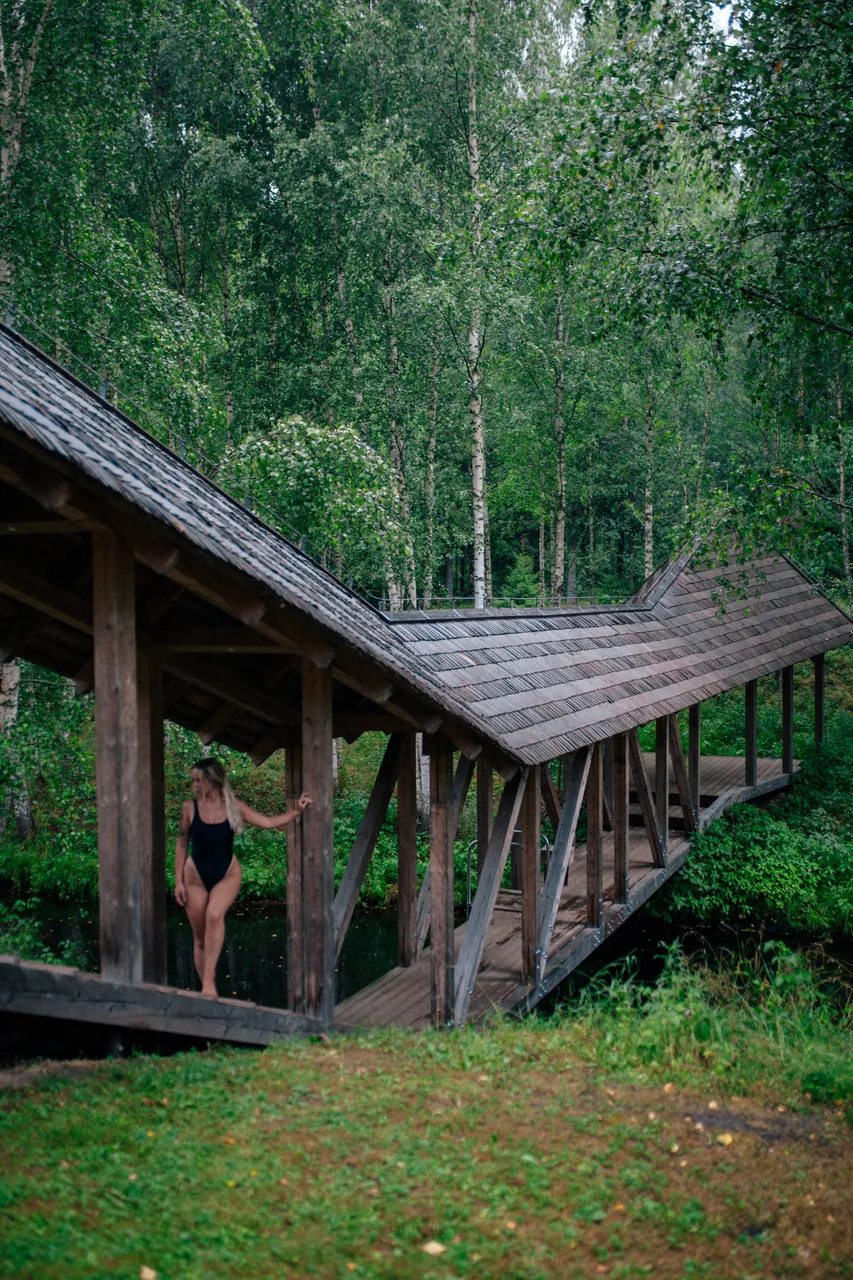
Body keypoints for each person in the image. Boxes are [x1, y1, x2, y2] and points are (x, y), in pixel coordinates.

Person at [174, 757, 311, 998]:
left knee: (214, 916)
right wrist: (178, 881)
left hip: (226, 873)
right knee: (199, 937)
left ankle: (208, 984)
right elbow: (181, 844)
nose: (194, 785)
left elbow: (267, 822)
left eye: (198, 780)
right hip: (194, 876)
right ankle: (207, 987)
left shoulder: (234, 807)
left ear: (212, 780)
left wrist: (296, 811)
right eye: (193, 780)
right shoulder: (189, 808)